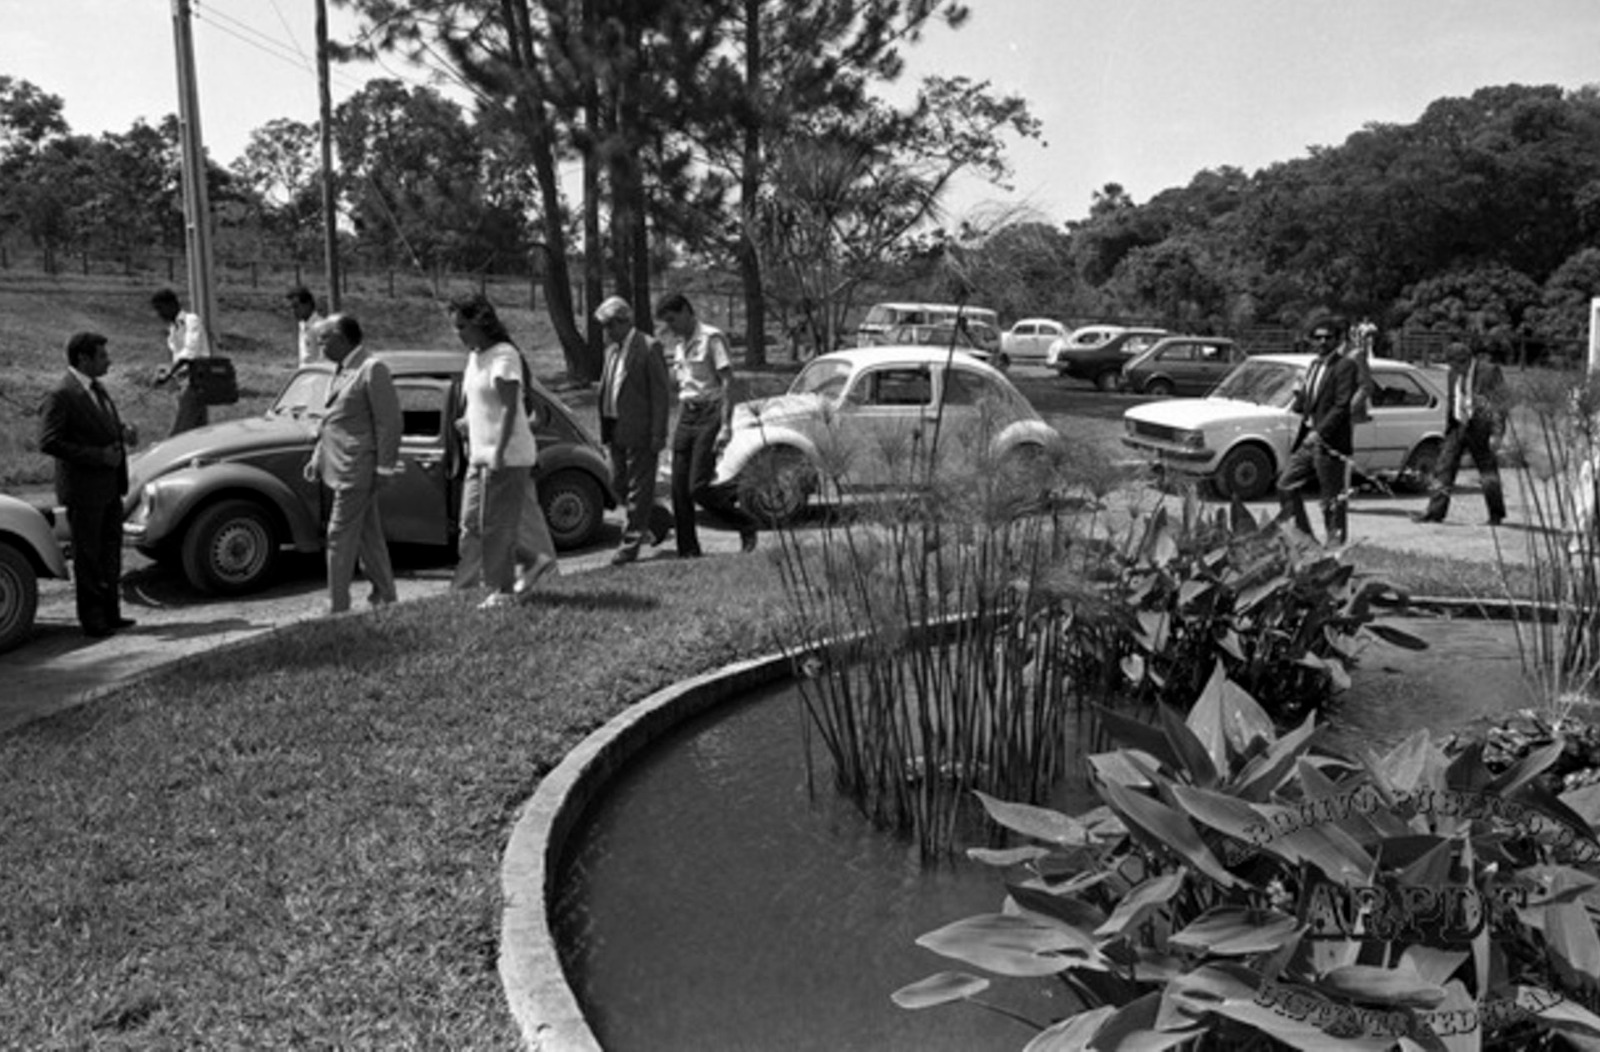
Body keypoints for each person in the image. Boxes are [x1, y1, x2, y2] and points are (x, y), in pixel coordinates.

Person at [448, 292, 551, 609]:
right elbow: (482, 403)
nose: (458, 333)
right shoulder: (475, 356)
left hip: (506, 456)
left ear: (481, 323)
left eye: (462, 326)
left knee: (496, 525)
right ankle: (532, 560)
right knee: (473, 524)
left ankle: (503, 591)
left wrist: (498, 452)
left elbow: (509, 409)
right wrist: (467, 421)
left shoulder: (504, 355)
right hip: (478, 455)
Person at [38, 332, 138, 638]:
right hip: (84, 491)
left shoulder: (98, 389)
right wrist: (98, 456)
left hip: (109, 488)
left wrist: (122, 433)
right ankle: (93, 619)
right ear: (84, 359)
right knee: (89, 555)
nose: (109, 361)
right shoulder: (61, 394)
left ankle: (111, 612)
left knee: (110, 553)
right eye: (102, 356)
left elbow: (98, 426)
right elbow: (49, 441)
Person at [301, 314, 402, 614]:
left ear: (342, 339)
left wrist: (385, 467)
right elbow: (335, 420)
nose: (319, 346)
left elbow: (390, 421)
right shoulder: (342, 369)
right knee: (369, 535)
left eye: (324, 339)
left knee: (338, 535)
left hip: (356, 468)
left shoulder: (372, 369)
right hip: (340, 465)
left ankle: (337, 606)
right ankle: (386, 597)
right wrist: (317, 457)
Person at [656, 293, 759, 558]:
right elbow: (684, 390)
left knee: (697, 487)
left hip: (710, 415)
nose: (671, 326)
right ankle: (688, 551)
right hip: (687, 416)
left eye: (672, 319)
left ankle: (744, 522)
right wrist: (675, 430)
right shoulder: (680, 345)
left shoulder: (711, 338)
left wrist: (725, 426)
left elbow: (728, 383)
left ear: (686, 311)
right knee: (679, 489)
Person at [594, 295, 670, 565]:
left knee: (639, 489)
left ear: (624, 322)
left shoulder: (649, 347)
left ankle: (629, 547)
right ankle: (658, 518)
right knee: (617, 484)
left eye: (609, 325)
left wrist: (659, 433)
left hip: (642, 429)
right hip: (614, 427)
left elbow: (661, 395)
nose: (605, 331)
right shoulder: (611, 350)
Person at [1276, 316, 1360, 545]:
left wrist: (1320, 432)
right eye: (1318, 337)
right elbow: (1306, 402)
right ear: (1312, 340)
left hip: (1330, 443)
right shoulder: (1314, 365)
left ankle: (1334, 549)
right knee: (1285, 485)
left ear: (1338, 339)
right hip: (1308, 440)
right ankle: (1305, 539)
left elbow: (1342, 405)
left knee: (1331, 500)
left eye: (1328, 337)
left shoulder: (1345, 366)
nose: (1322, 342)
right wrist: (1297, 396)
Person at [1411, 340, 1509, 526]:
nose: (1453, 370)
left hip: (1481, 428)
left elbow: (1500, 403)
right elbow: (1453, 399)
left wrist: (1497, 433)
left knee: (1488, 472)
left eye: (1455, 365)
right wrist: (1449, 427)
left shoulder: (1489, 372)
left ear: (1465, 361)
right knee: (1443, 467)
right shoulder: (1452, 374)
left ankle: (1496, 515)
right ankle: (1435, 512)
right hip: (1458, 426)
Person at [151, 287, 211, 435]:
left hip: (197, 380)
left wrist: (169, 373)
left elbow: (189, 353)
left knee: (180, 430)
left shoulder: (191, 320)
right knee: (199, 430)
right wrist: (165, 373)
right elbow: (177, 357)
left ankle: (167, 455)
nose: (159, 314)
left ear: (171, 304)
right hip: (184, 381)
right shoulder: (173, 329)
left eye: (160, 309)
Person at [287, 285, 324, 368]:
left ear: (308, 304)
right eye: (291, 308)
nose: (293, 311)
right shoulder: (303, 325)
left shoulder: (320, 327)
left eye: (296, 306)